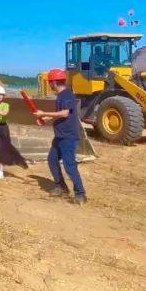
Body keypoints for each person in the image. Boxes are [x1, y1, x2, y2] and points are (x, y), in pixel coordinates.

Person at [32, 68, 87, 204]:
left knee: (69, 165)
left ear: (54, 82)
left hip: (68, 137)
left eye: (50, 82)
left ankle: (80, 193)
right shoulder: (61, 95)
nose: (50, 85)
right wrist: (46, 118)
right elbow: (61, 116)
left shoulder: (66, 94)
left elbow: (65, 113)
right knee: (52, 160)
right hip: (60, 136)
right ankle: (61, 187)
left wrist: (44, 113)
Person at [0, 85, 28, 179]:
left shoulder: (5, 105)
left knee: (1, 149)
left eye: (1, 94)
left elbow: (4, 113)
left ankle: (0, 171)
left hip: (2, 128)